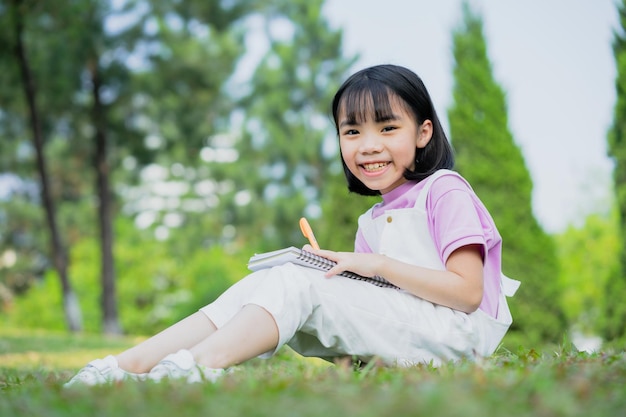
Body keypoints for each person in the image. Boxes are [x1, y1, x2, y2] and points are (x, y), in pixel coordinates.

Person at [65, 64, 519, 386]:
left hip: (460, 338)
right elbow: (378, 313)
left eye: (387, 128)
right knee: (271, 280)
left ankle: (192, 369)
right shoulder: (372, 219)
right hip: (417, 337)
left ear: (422, 134)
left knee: (296, 282)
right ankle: (128, 366)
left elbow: (466, 293)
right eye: (352, 131)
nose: (368, 145)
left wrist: (374, 264)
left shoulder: (445, 189)